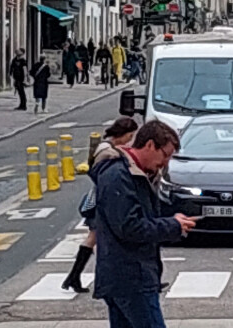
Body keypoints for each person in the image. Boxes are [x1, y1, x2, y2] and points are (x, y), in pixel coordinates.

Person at [92, 120, 195, 328]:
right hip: (130, 277)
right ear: (149, 145)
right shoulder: (119, 176)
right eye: (165, 155)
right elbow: (130, 227)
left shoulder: (134, 174)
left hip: (125, 276)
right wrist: (172, 226)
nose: (166, 163)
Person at [62, 116, 138, 293]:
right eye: (130, 135)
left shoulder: (108, 147)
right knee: (100, 240)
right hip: (102, 201)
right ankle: (79, 277)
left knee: (93, 239)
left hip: (100, 199)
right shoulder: (107, 151)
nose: (130, 140)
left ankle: (74, 277)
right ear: (122, 134)